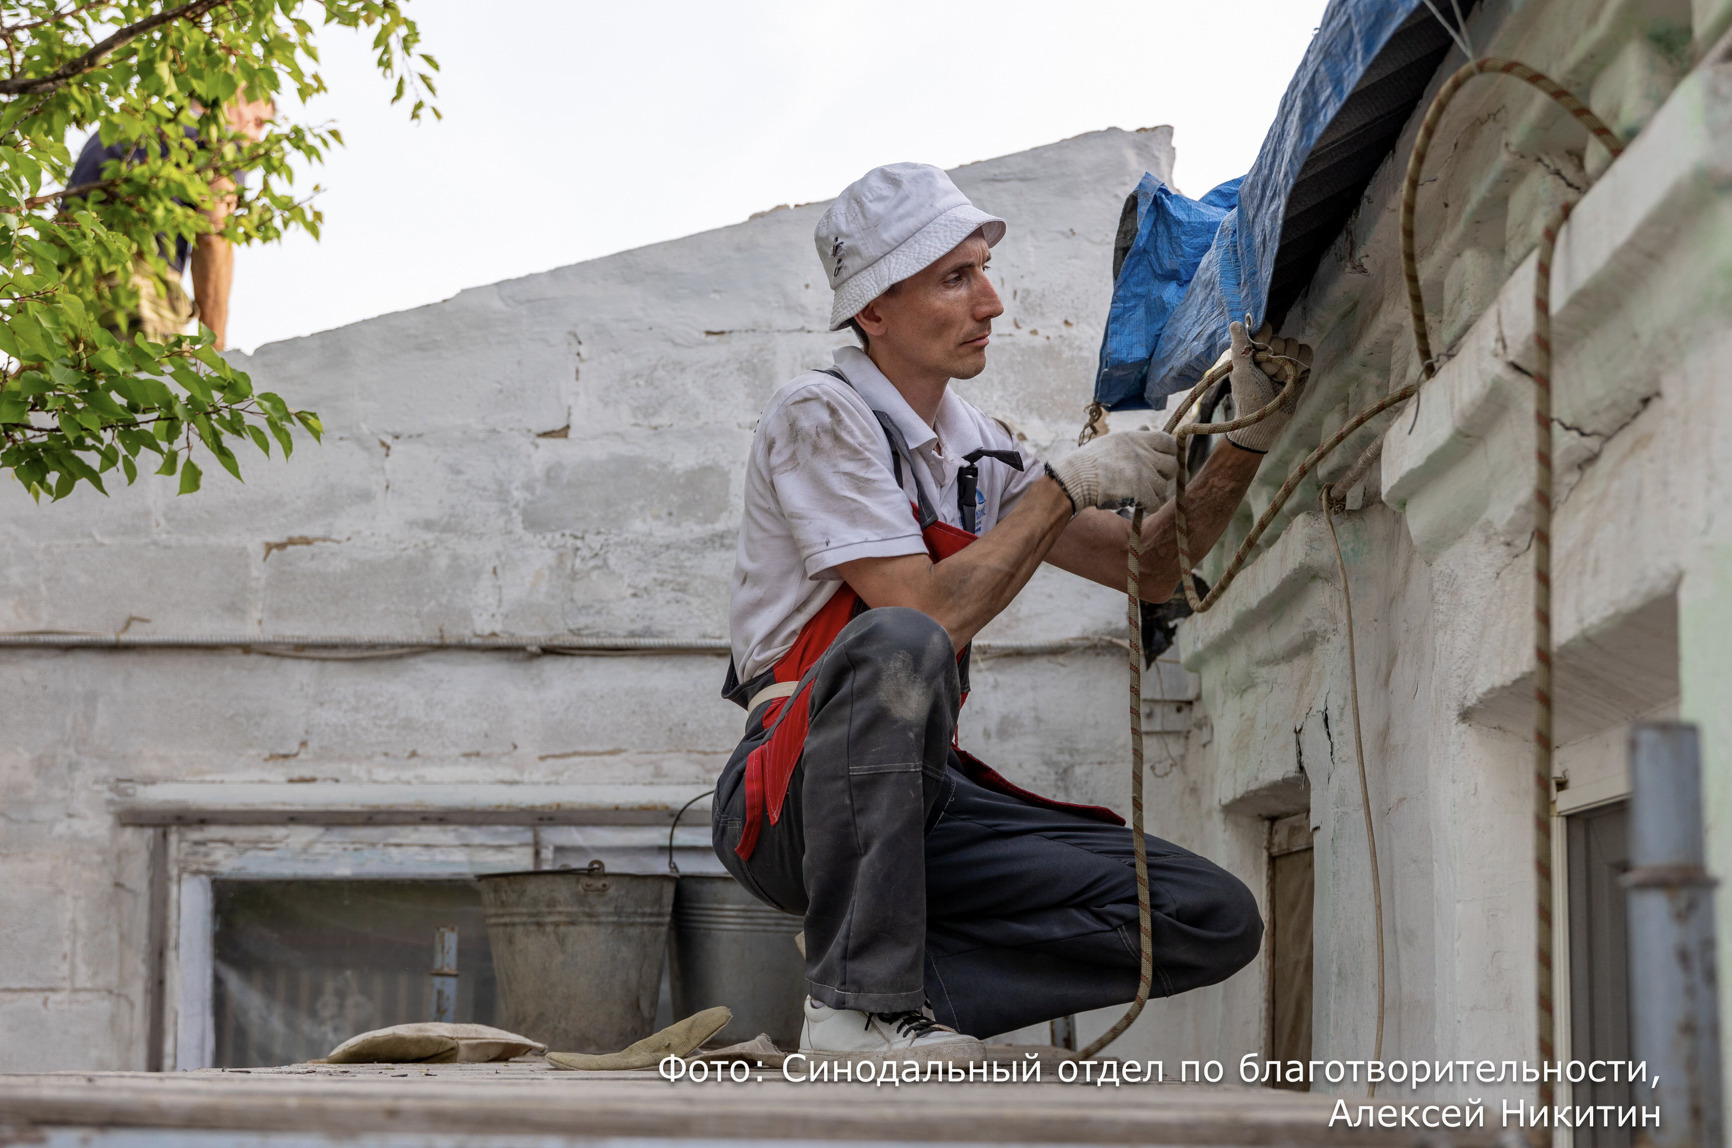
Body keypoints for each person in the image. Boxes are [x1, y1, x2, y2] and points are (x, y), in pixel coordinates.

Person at [712, 163, 1311, 1061]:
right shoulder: (820, 416)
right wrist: (1065, 489)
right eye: (956, 277)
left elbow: (1151, 569)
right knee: (900, 640)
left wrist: (1246, 443)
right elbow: (918, 616)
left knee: (1208, 916)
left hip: (920, 799)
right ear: (873, 311)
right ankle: (852, 1008)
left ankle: (899, 1000)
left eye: (984, 268)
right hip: (794, 800)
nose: (991, 301)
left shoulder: (978, 446)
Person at [68, 92, 274, 349]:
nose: (257, 137)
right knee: (150, 384)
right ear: (230, 97)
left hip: (61, 292)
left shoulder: (119, 125)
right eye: (257, 121)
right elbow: (213, 235)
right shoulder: (218, 141)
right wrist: (215, 346)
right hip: (136, 286)